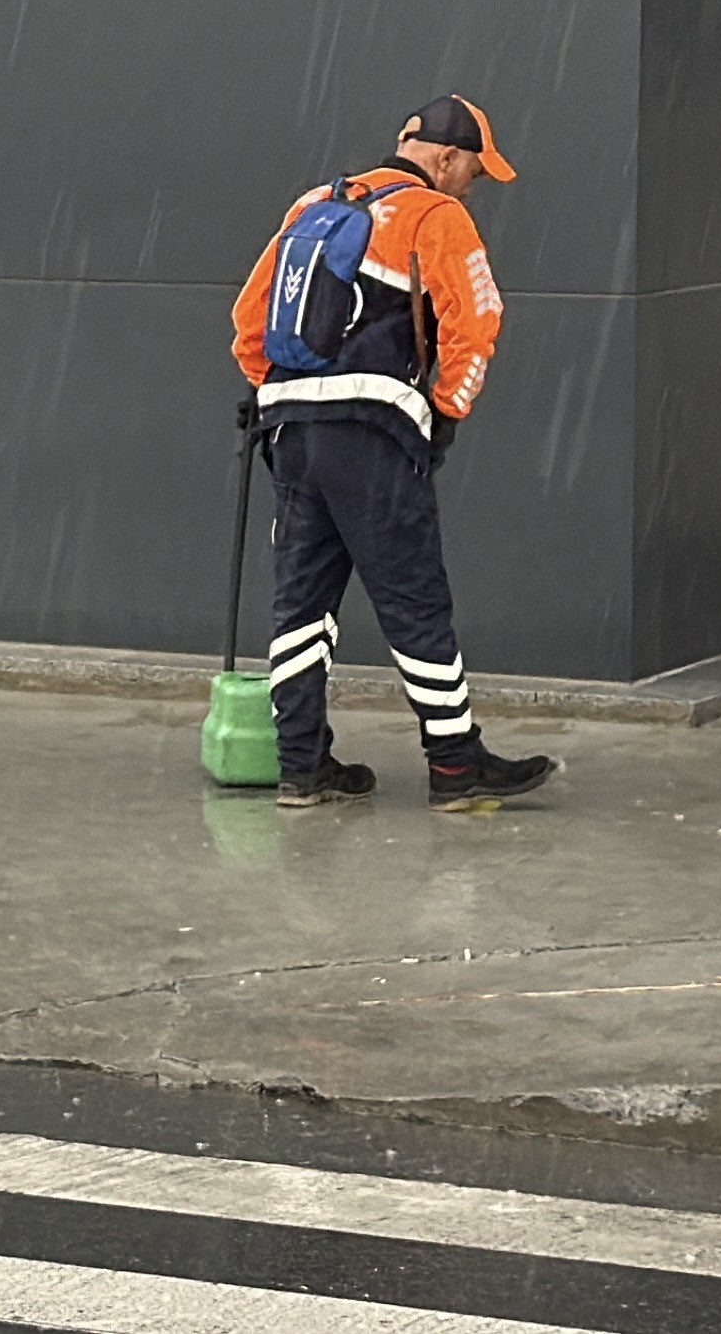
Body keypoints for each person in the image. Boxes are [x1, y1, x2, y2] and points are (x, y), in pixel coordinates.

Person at [232, 95, 559, 812]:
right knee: (413, 599)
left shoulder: (315, 204)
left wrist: (279, 398)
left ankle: (302, 766)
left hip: (291, 435)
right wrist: (444, 414)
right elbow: (476, 324)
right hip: (372, 439)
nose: (473, 184)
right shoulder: (436, 218)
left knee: (301, 602)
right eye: (473, 169)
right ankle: (453, 766)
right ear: (444, 158)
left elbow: (248, 326)